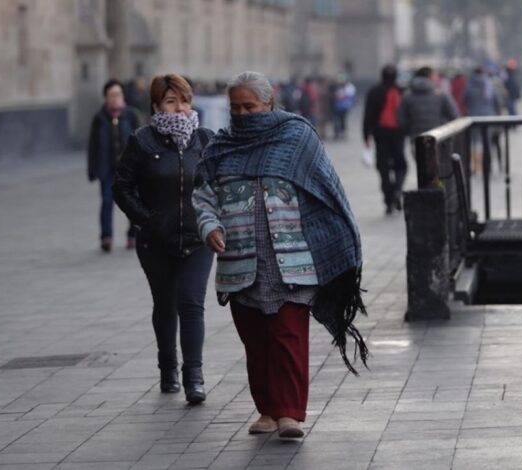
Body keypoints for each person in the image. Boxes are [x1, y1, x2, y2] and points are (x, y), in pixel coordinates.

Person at [193, 71, 368, 439]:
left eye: (249, 106)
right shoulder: (220, 148)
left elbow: (323, 189)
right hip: (240, 262)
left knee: (287, 336)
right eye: (235, 107)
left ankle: (289, 413)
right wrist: (209, 227)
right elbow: (204, 196)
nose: (242, 114)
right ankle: (267, 411)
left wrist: (331, 238)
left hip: (292, 260)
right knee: (255, 341)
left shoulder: (297, 137)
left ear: (269, 103)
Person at [113, 74, 214, 404]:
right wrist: (146, 219)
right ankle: (167, 365)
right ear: (156, 105)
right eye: (171, 101)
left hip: (197, 239)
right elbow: (121, 187)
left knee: (192, 303)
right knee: (165, 304)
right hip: (156, 241)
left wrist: (214, 221)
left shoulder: (205, 140)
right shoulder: (143, 141)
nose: (180, 108)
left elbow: (219, 185)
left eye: (184, 100)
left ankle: (194, 376)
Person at [87, 79, 142, 252]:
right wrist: (92, 169)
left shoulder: (132, 115)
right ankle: (106, 237)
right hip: (108, 169)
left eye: (117, 94)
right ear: (105, 97)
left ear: (123, 95)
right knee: (107, 202)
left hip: (130, 170)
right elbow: (93, 145)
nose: (114, 98)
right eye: (111, 95)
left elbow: (141, 142)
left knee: (133, 202)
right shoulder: (100, 117)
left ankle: (133, 235)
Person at [363, 64, 406, 214]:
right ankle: (398, 189)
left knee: (383, 167)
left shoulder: (374, 92)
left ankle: (388, 199)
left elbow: (368, 115)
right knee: (401, 165)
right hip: (398, 134)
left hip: (380, 134)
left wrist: (366, 135)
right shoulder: (402, 91)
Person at [397, 66, 459, 139]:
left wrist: (409, 129)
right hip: (437, 135)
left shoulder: (407, 95)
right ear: (430, 77)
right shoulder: (441, 94)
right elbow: (454, 115)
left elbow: (401, 117)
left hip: (415, 136)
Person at [332, 75, 356, 139]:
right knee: (337, 120)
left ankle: (343, 133)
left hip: (343, 107)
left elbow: (350, 98)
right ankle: (337, 133)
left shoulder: (348, 88)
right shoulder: (336, 88)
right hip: (337, 107)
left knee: (343, 120)